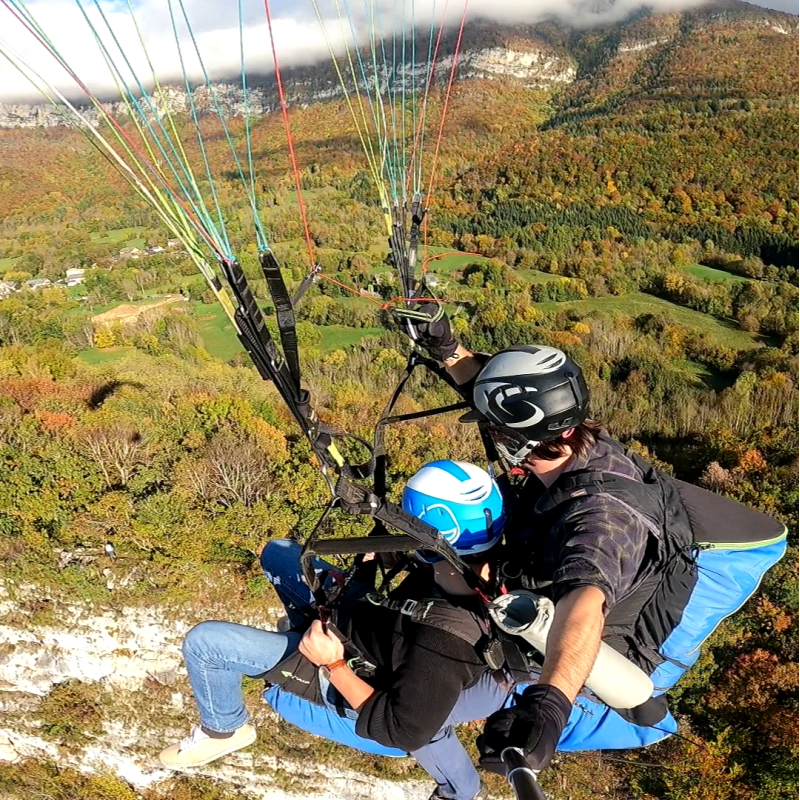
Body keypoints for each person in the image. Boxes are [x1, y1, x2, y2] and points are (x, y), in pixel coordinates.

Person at [400, 307, 692, 773]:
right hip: (547, 564)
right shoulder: (576, 441)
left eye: (496, 428)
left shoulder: (603, 519)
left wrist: (549, 707)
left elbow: (585, 605)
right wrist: (446, 349)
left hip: (590, 639)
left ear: (519, 438)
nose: (492, 434)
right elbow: (512, 402)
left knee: (444, 587)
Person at [159, 459, 507, 800]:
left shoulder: (444, 642)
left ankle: (223, 728)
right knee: (279, 553)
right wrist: (384, 559)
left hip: (353, 662)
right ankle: (301, 631)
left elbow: (404, 731)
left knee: (206, 644)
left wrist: (333, 664)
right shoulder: (469, 566)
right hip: (365, 622)